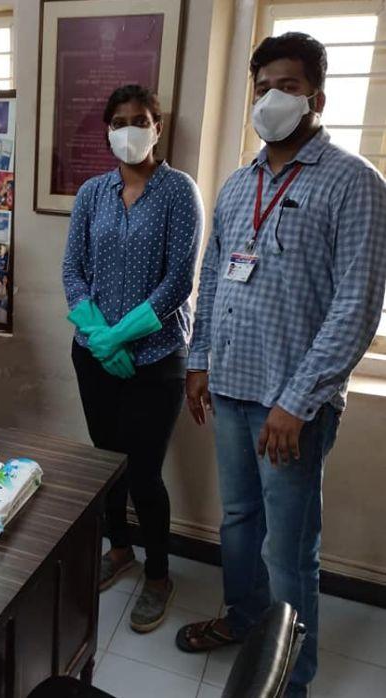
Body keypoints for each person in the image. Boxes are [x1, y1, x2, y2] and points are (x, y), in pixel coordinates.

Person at [177, 34, 386, 697]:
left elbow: (358, 304)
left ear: (317, 98)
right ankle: (244, 621)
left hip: (293, 405)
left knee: (290, 550)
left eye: (288, 86)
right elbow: (213, 279)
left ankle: (289, 681)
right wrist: (199, 360)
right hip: (233, 388)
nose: (272, 97)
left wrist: (297, 402)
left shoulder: (355, 182)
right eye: (263, 84)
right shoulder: (240, 184)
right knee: (238, 521)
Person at [62, 84, 203, 633]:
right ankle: (119, 549)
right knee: (107, 463)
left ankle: (160, 574)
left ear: (157, 127)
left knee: (144, 472)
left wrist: (123, 336)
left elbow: (178, 281)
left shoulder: (178, 191)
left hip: (157, 357)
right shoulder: (93, 192)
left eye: (139, 119)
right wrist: (100, 338)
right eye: (118, 121)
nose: (129, 130)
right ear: (106, 129)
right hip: (93, 354)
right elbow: (73, 271)